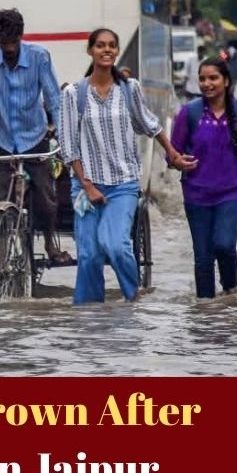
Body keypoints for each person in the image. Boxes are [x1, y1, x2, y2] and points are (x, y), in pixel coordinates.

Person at [58, 28, 195, 303]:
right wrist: (87, 185)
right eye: (100, 46)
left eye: (111, 45)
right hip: (86, 186)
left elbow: (149, 124)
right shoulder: (74, 94)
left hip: (123, 183)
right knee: (88, 255)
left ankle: (133, 301)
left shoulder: (129, 88)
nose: (106, 50)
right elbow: (68, 145)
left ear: (117, 51)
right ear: (90, 51)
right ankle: (89, 317)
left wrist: (173, 154)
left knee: (116, 245)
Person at [172, 58, 237, 298]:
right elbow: (173, 152)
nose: (207, 83)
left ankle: (231, 291)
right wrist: (176, 161)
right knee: (202, 257)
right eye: (202, 79)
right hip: (196, 193)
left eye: (213, 78)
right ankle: (208, 314)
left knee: (224, 244)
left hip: (233, 191)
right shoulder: (189, 113)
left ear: (226, 81)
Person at [0, 8, 69, 265]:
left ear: (21, 37)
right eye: (4, 44)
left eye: (13, 43)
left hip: (34, 136)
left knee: (47, 195)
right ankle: (1, 258)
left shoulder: (39, 56)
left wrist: (62, 134)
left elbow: (54, 99)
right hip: (2, 139)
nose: (9, 49)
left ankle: (49, 241)